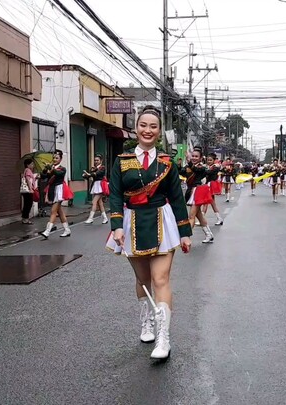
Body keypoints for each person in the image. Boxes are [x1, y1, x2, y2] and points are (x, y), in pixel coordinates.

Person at [105, 105, 192, 361]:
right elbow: (115, 196)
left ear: (158, 132)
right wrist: (117, 226)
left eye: (153, 126)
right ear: (136, 128)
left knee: (161, 279)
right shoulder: (121, 162)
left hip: (162, 221)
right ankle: (146, 324)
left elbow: (177, 198)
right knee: (142, 279)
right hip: (131, 222)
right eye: (144, 125)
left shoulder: (166, 162)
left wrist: (184, 231)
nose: (148, 130)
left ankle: (163, 337)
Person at [180, 148, 215, 243]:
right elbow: (180, 172)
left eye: (196, 156)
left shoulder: (202, 167)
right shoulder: (188, 166)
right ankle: (209, 234)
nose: (194, 158)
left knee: (191, 216)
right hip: (191, 192)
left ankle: (186, 238)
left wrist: (188, 161)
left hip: (198, 192)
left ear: (200, 158)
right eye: (193, 156)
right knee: (199, 215)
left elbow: (195, 169)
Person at [38, 150, 72, 239]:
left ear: (61, 159)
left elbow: (57, 173)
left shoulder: (62, 169)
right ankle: (67, 229)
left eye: (57, 158)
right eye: (53, 158)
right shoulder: (51, 168)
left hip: (60, 191)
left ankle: (47, 231)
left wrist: (51, 169)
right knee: (59, 211)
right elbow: (43, 176)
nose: (55, 159)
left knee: (53, 211)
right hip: (52, 191)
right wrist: (45, 169)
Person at [83, 155, 108, 224]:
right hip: (95, 185)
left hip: (100, 185)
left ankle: (91, 218)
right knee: (100, 204)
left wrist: (90, 174)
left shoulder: (102, 168)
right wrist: (85, 175)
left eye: (97, 160)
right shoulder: (93, 168)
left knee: (94, 202)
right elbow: (90, 174)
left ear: (101, 161)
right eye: (95, 160)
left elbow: (97, 173)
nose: (96, 162)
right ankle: (105, 218)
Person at [201, 152, 225, 226]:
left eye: (210, 160)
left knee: (207, 202)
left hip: (211, 185)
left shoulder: (215, 167)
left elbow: (208, 172)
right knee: (210, 203)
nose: (208, 161)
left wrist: (201, 169)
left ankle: (202, 219)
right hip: (207, 185)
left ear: (214, 160)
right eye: (208, 160)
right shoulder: (208, 167)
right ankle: (218, 218)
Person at [20, 158, 37, 224]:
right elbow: (28, 180)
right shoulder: (28, 170)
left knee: (27, 204)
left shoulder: (28, 170)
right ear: (28, 164)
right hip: (27, 191)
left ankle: (25, 218)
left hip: (27, 191)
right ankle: (25, 219)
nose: (33, 165)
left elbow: (30, 180)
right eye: (31, 164)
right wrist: (30, 189)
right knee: (28, 204)